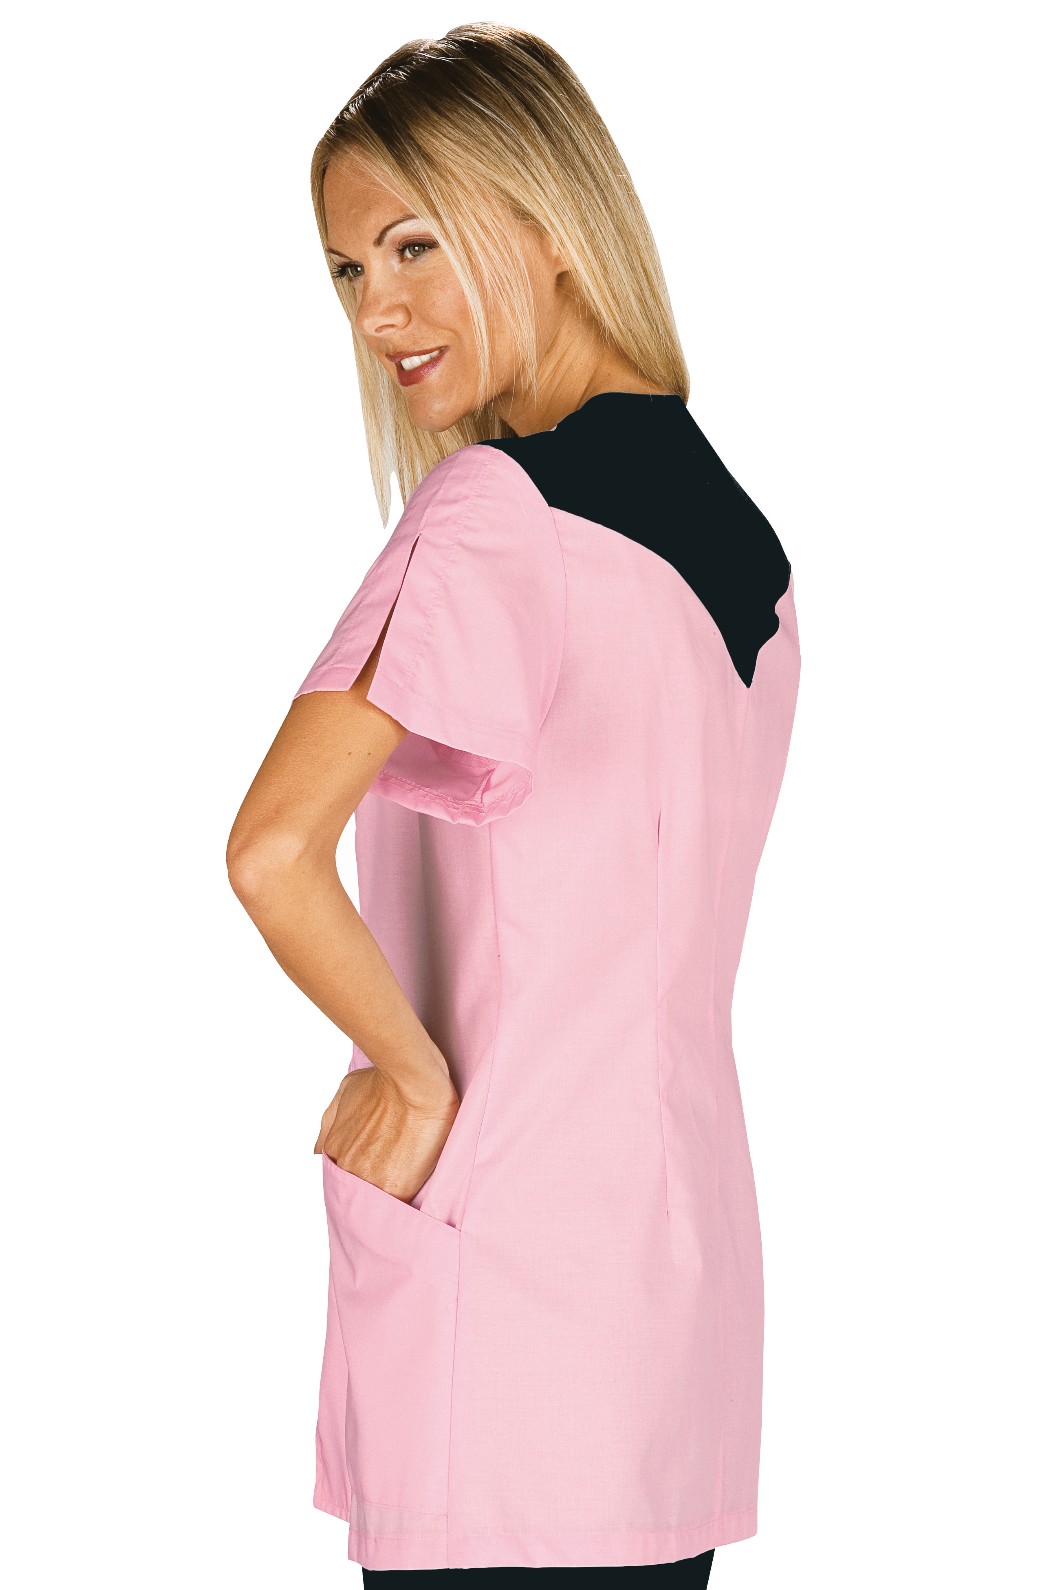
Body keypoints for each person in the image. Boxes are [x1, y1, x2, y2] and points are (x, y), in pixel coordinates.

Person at [226, 21, 800, 1585]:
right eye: (348, 270)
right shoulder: (751, 554)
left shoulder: (498, 513)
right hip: (669, 1324)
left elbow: (272, 849)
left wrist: (412, 1078)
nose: (377, 311)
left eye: (415, 244)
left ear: (549, 221)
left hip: (504, 1329)